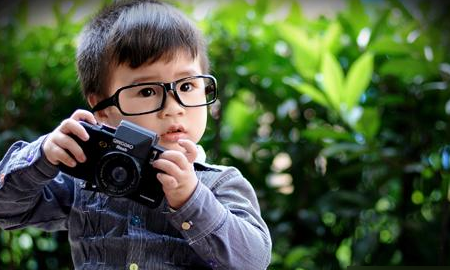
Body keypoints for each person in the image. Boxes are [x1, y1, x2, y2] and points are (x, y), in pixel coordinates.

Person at [0, 0, 272, 269]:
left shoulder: (220, 184)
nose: (173, 108)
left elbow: (253, 261)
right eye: (147, 91)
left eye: (187, 85)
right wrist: (42, 156)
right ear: (102, 109)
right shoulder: (84, 179)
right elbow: (7, 210)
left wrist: (191, 199)